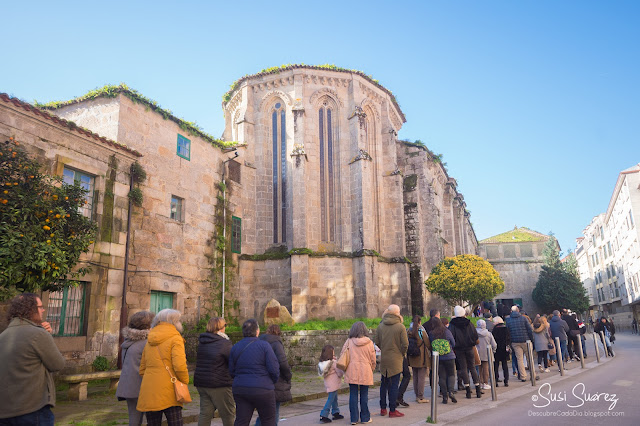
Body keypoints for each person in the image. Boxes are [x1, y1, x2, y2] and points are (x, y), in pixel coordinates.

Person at [0, 293, 65, 425]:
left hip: (5, 412)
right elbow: (57, 364)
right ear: (30, 309)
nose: (43, 310)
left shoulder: (3, 335)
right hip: (32, 410)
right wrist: (46, 335)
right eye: (40, 307)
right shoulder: (38, 334)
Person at [137, 309, 189, 426]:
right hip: (170, 390)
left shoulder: (149, 339)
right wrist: (185, 381)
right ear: (174, 322)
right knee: (175, 423)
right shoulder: (176, 338)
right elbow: (180, 366)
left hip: (149, 390)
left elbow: (142, 369)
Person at [229, 319, 280, 426]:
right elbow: (274, 369)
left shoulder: (235, 347)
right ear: (257, 331)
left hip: (241, 388)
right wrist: (270, 382)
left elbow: (231, 371)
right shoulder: (264, 346)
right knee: (268, 421)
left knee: (241, 421)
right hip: (263, 388)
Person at [193, 316, 235, 426]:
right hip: (219, 383)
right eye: (225, 325)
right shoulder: (224, 343)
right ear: (221, 328)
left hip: (202, 383)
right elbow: (233, 361)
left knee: (205, 413)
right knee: (228, 413)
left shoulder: (203, 341)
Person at [116, 310, 155, 426]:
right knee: (152, 419)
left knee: (134, 419)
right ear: (148, 326)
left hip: (128, 385)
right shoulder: (146, 343)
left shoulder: (129, 341)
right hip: (142, 386)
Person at [374, 305, 409, 418]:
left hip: (385, 358)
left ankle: (383, 408)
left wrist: (384, 348)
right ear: (397, 313)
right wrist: (402, 353)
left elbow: (377, 341)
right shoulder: (400, 327)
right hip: (396, 358)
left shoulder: (381, 326)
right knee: (394, 384)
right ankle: (392, 410)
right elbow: (405, 344)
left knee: (383, 384)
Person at [340, 321, 376, 425]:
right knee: (364, 395)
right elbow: (373, 359)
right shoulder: (369, 342)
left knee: (353, 394)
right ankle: (365, 418)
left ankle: (354, 419)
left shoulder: (349, 341)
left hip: (352, 370)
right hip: (366, 370)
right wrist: (371, 369)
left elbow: (343, 354)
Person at [255, 325, 292, 426]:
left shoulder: (259, 341)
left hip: (260, 380)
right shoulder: (276, 343)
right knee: (274, 412)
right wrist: (288, 375)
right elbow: (283, 362)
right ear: (278, 332)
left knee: (263, 413)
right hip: (275, 381)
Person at [449, 305, 482, 398]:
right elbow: (475, 335)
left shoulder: (452, 324)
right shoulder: (469, 323)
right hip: (469, 347)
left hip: (459, 349)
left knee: (463, 368)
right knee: (472, 367)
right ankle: (478, 389)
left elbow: (451, 337)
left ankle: (468, 391)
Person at [428, 317, 457, 404]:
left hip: (438, 358)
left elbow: (430, 345)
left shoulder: (431, 333)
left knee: (442, 377)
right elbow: (453, 343)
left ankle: (444, 396)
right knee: (451, 375)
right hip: (449, 356)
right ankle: (451, 391)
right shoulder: (447, 331)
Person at [407, 315, 432, 403]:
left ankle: (416, 394)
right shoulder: (421, 331)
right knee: (421, 377)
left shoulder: (408, 330)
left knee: (415, 376)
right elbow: (427, 343)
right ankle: (420, 397)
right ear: (419, 322)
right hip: (421, 357)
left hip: (412, 356)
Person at [505, 305, 533, 382]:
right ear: (518, 310)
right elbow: (529, 329)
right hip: (525, 340)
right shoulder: (523, 318)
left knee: (519, 359)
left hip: (515, 341)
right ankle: (532, 374)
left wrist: (510, 342)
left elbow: (507, 332)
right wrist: (531, 339)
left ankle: (523, 376)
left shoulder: (508, 320)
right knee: (529, 358)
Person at [317, 345, 344, 423]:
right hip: (334, 383)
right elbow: (339, 373)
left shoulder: (323, 363)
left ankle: (335, 412)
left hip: (328, 383)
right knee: (331, 399)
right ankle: (324, 415)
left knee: (334, 397)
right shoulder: (333, 362)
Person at [475, 319, 496, 390]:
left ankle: (480, 382)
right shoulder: (489, 334)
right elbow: (494, 344)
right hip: (487, 353)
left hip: (477, 353)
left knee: (479, 369)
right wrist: (493, 351)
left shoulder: (474, 333)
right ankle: (486, 383)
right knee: (486, 369)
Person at [491, 316, 511, 387]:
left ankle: (496, 380)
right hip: (504, 348)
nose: (493, 323)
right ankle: (506, 380)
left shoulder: (494, 330)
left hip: (497, 349)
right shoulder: (506, 329)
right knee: (504, 365)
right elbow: (509, 339)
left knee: (496, 365)